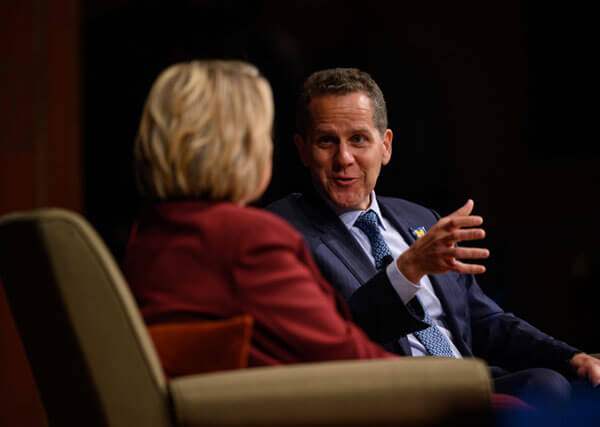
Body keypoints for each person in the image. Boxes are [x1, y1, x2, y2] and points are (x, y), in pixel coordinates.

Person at [267, 67, 600, 403]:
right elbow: (332, 338)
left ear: (385, 146)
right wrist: (405, 271)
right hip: (392, 398)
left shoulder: (420, 218)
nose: (344, 158)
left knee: (555, 384)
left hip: (468, 383)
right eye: (327, 141)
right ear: (302, 149)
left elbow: (485, 321)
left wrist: (571, 357)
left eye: (358, 139)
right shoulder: (283, 231)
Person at [123, 60, 395, 366]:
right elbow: (349, 359)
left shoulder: (146, 233)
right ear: (241, 148)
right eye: (264, 133)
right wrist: (451, 386)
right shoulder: (247, 240)